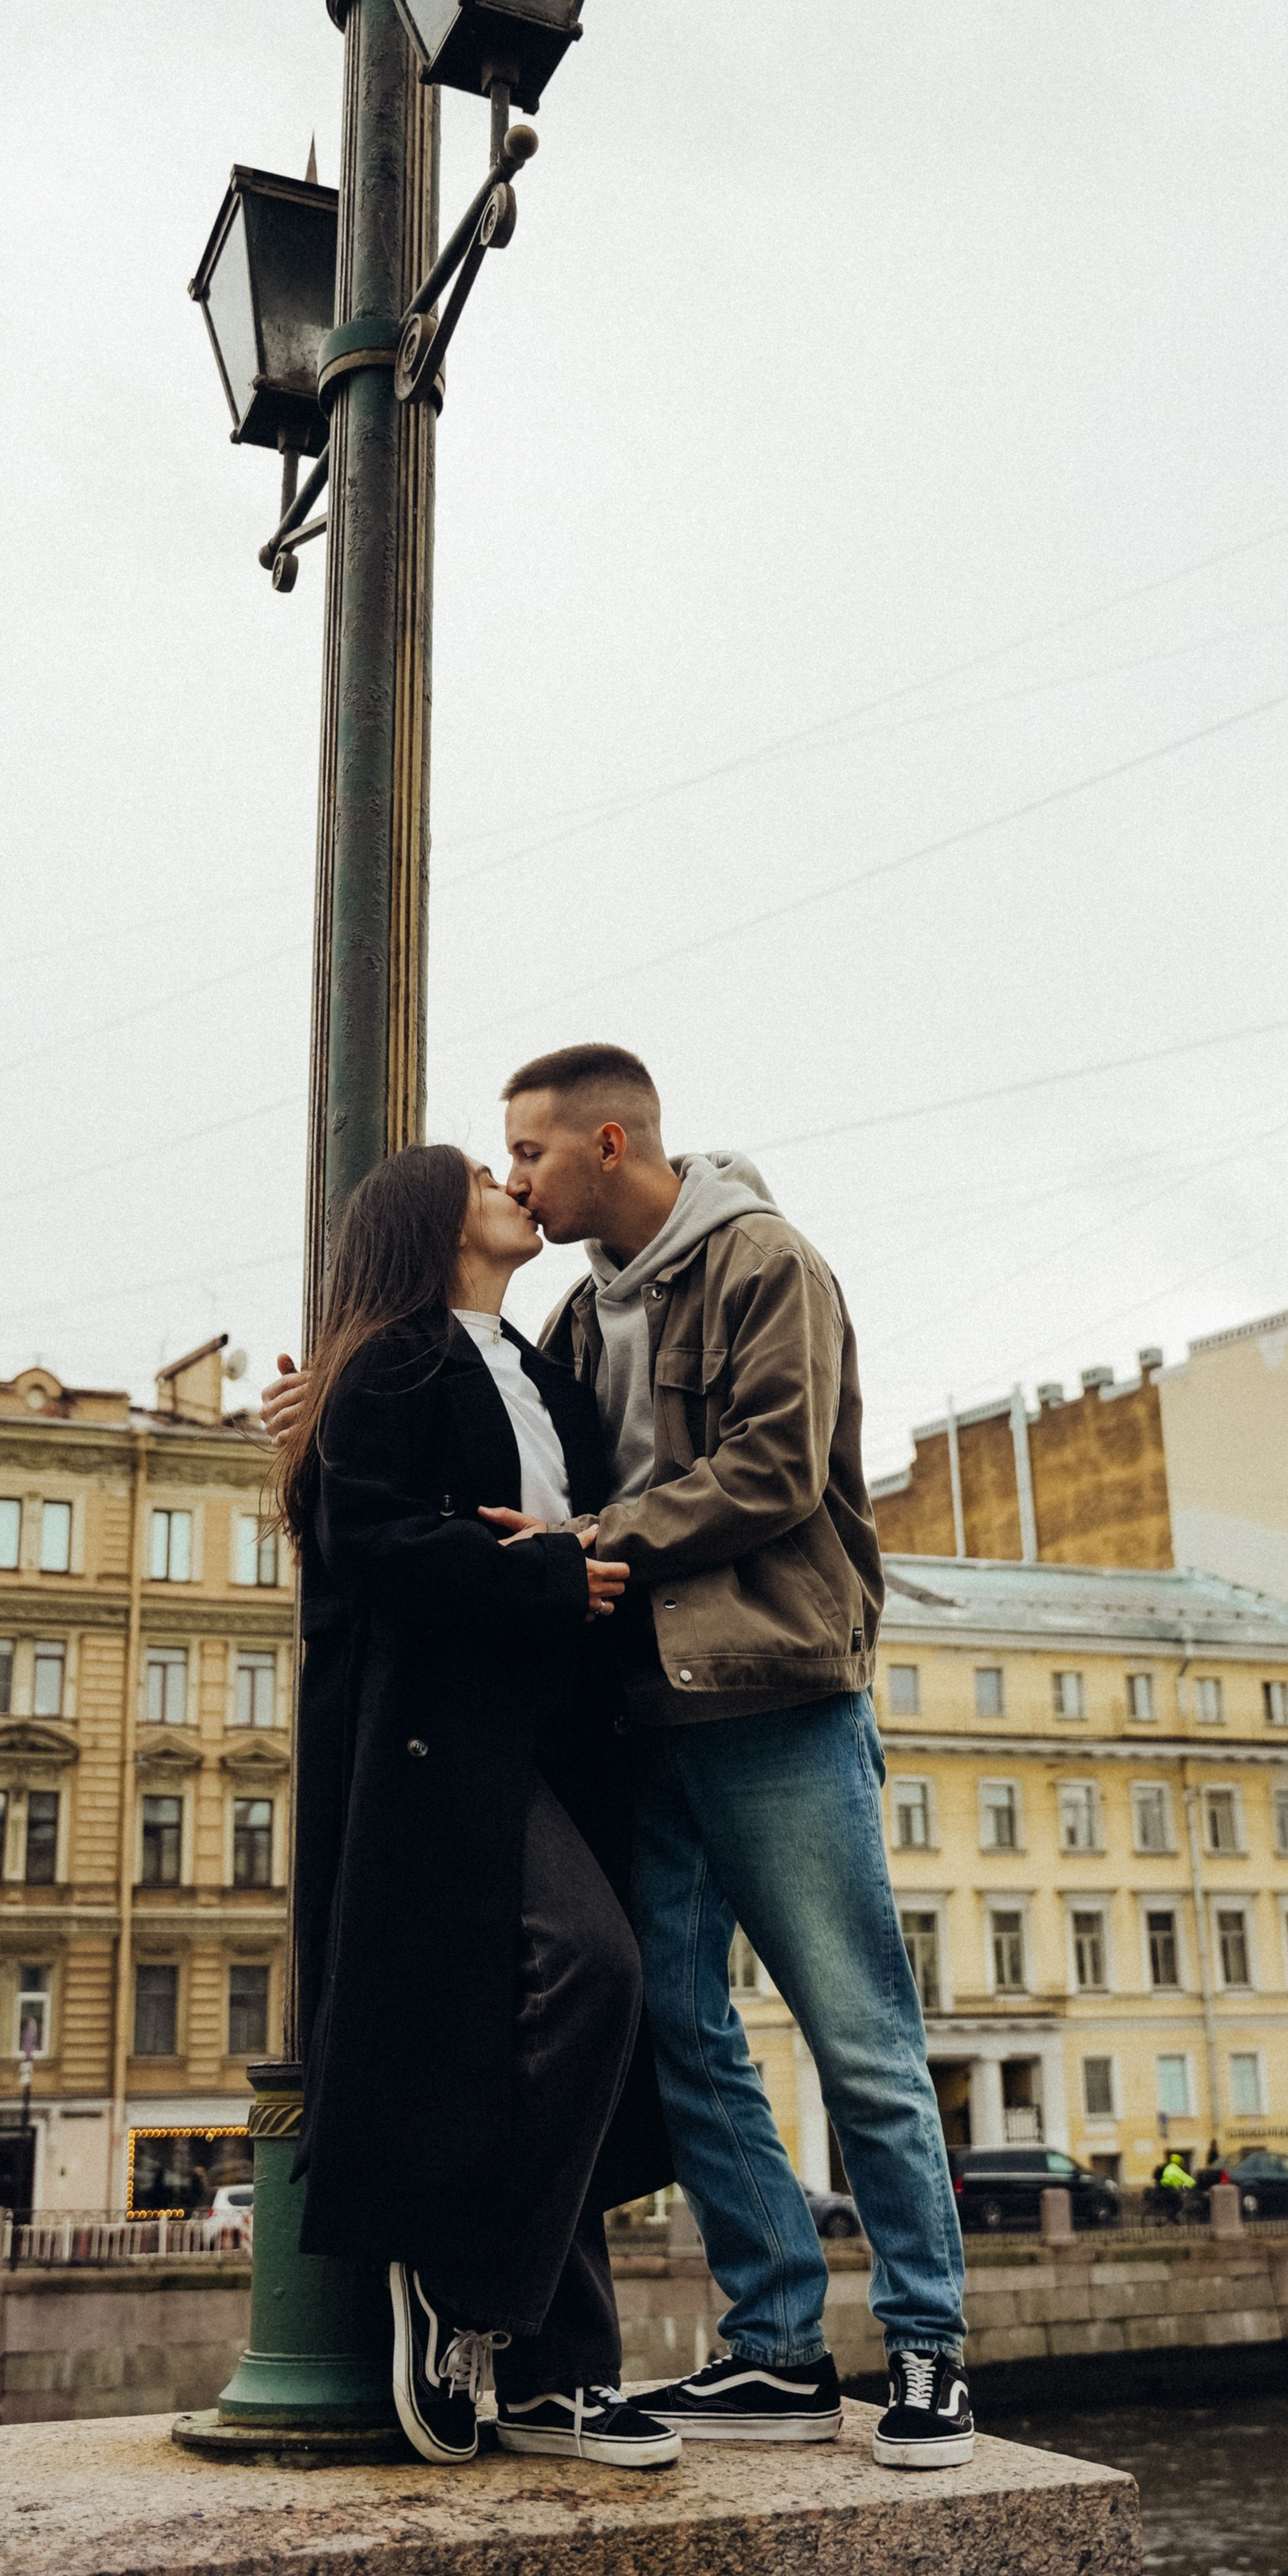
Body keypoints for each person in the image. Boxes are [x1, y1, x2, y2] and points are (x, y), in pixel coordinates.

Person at [493, 1041, 972, 2470]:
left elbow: (774, 1468)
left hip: (772, 1696)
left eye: (529, 1152)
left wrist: (598, 1542)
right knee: (687, 2035)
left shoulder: (767, 1263)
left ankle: (933, 2354)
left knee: (860, 2034)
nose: (515, 1178)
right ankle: (775, 2350)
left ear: (613, 1142)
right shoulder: (582, 1314)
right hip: (647, 1714)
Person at [271, 1140, 678, 2469]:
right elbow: (372, 1541)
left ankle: (562, 2371)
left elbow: (597, 1517)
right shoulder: (388, 1359)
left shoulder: (541, 1366)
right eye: (485, 1181)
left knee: (563, 2028)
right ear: (434, 1225)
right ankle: (466, 2289)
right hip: (444, 1750)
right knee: (592, 1972)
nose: (515, 1190)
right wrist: (547, 1577)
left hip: (556, 1738)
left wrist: (581, 1560)